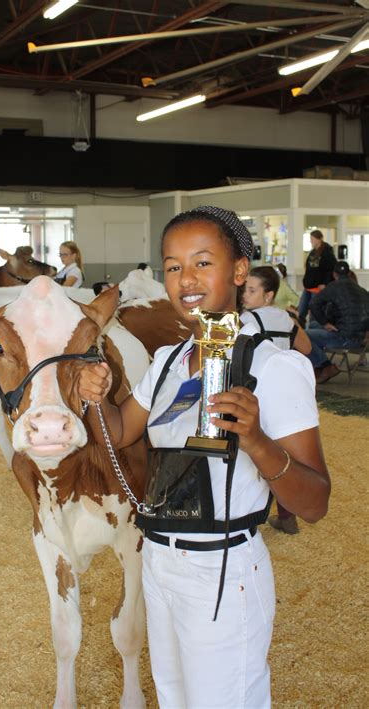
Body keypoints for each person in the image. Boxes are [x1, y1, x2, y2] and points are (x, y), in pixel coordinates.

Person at [78, 206, 330, 708]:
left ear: (239, 271)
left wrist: (256, 440)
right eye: (172, 266)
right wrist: (94, 397)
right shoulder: (170, 360)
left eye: (201, 263)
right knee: (173, 698)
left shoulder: (273, 366)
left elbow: (315, 501)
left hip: (223, 568)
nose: (185, 280)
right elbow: (124, 430)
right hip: (159, 560)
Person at [242, 266, 312, 536]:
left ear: (268, 295)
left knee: (252, 458)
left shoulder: (246, 320)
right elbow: (305, 348)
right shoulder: (285, 318)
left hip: (255, 395)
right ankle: (287, 516)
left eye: (251, 290)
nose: (245, 295)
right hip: (283, 397)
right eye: (245, 289)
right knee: (282, 458)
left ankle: (248, 519)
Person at [307, 260, 369, 384]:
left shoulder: (334, 287)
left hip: (345, 338)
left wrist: (325, 323)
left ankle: (325, 365)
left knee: (304, 334)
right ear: (349, 273)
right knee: (313, 325)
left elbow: (313, 304)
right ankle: (318, 366)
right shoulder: (361, 290)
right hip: (361, 338)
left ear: (334, 274)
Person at [298, 229, 336, 323]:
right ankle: (299, 331)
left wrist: (325, 283)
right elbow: (309, 268)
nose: (311, 241)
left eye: (312, 239)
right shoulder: (312, 252)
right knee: (301, 311)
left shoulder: (327, 253)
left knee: (314, 313)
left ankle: (312, 333)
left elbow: (331, 270)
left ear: (319, 239)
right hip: (308, 287)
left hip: (317, 288)